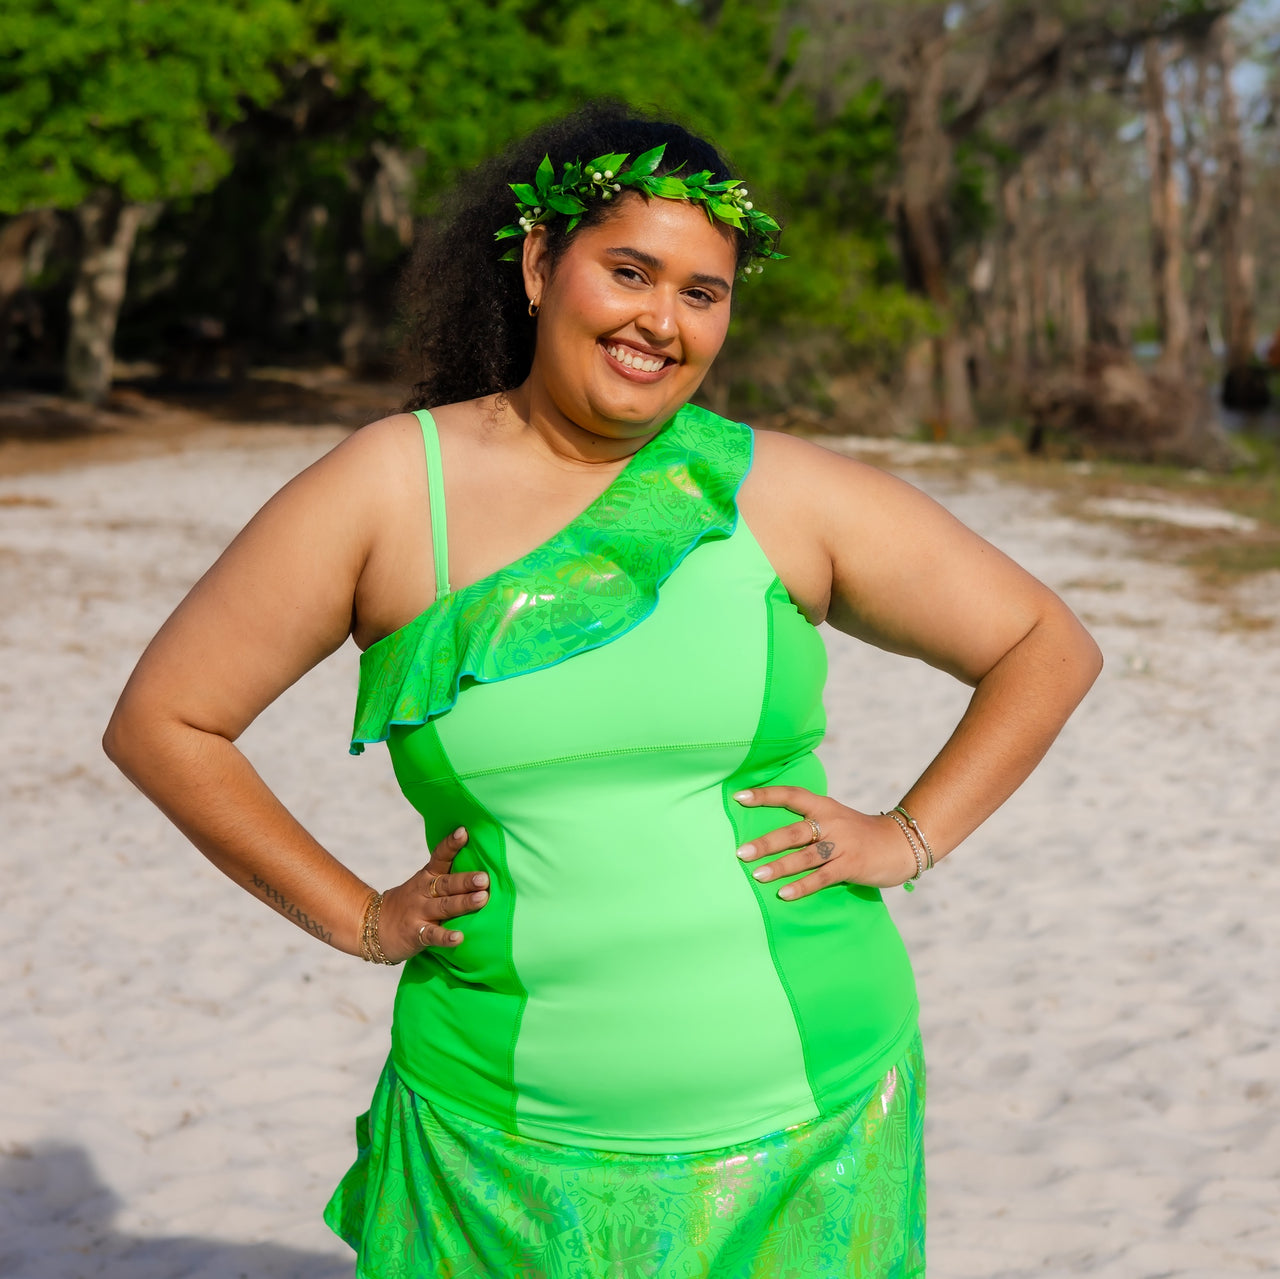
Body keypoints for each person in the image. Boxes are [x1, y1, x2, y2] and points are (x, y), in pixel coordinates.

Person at [104, 101, 1102, 1277]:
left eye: (701, 292)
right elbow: (166, 722)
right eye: (628, 271)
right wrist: (360, 916)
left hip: (811, 1124)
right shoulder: (389, 489)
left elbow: (1043, 641)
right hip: (497, 1153)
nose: (659, 322)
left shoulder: (778, 494)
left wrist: (909, 834)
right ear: (537, 263)